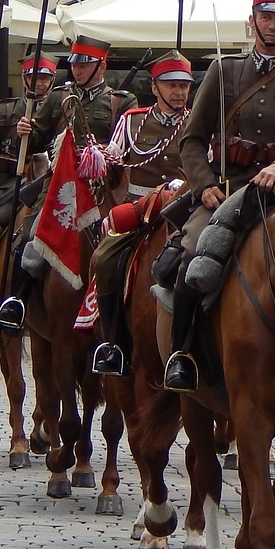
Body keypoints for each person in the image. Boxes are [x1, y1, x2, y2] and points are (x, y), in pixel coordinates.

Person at [162, 0, 275, 392]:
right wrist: (202, 187)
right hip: (226, 189)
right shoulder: (225, 70)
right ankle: (182, 354)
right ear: (252, 21)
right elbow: (192, 139)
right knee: (192, 251)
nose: (271, 25)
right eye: (265, 17)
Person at [0, 39, 138, 332]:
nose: (77, 70)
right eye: (74, 64)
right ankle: (18, 301)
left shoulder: (122, 102)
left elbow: (127, 147)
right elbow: (38, 137)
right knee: (29, 236)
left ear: (102, 66)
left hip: (101, 187)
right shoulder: (57, 97)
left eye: (85, 64)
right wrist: (27, 131)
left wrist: (102, 153)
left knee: (126, 244)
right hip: (59, 185)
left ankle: (125, 312)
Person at [91, 51, 194, 377]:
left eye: (184, 85)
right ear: (155, 86)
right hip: (140, 210)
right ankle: (114, 345)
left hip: (184, 211)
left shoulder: (197, 120)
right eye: (171, 85)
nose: (179, 92)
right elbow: (115, 163)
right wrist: (99, 160)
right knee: (103, 259)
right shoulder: (133, 121)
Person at [0, 54, 56, 317]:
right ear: (24, 78)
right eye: (32, 77)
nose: (37, 82)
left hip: (46, 181)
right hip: (8, 183)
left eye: (43, 77)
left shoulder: (59, 106)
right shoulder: (7, 109)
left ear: (51, 80)